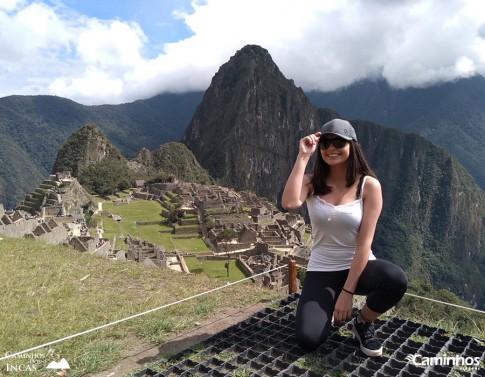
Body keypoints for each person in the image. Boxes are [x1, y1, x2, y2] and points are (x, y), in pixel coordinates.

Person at [281, 118, 408, 357]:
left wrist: (347, 294)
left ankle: (363, 322)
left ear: (352, 146)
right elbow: (289, 203)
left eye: (339, 141)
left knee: (395, 279)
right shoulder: (311, 182)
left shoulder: (368, 186)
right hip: (322, 270)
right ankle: (323, 310)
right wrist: (303, 156)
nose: (331, 148)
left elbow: (364, 244)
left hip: (359, 267)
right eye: (326, 143)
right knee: (309, 339)